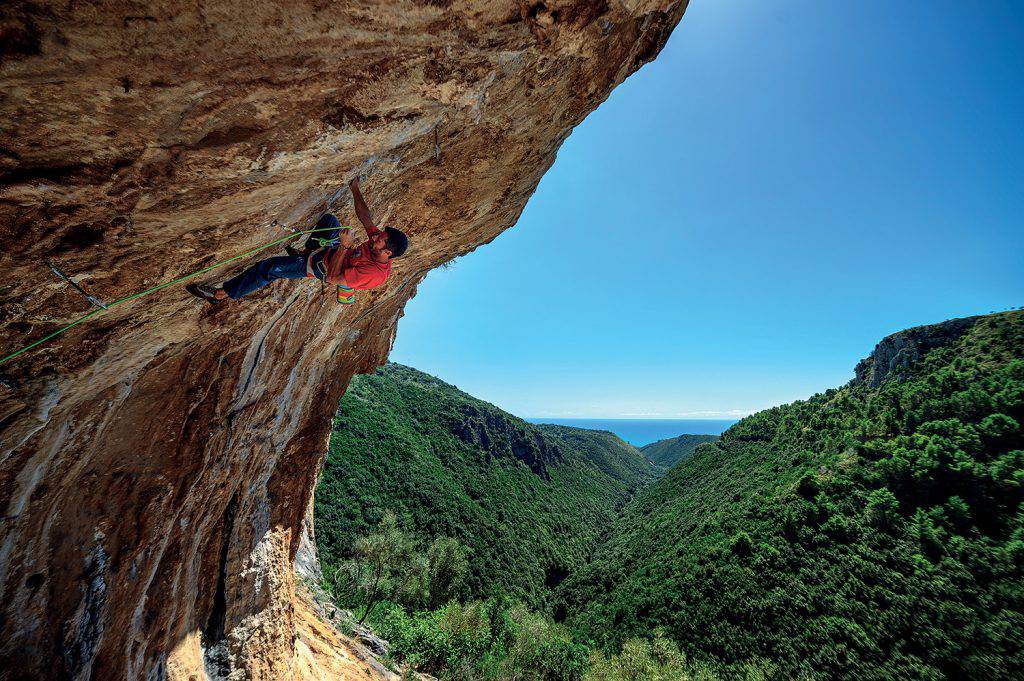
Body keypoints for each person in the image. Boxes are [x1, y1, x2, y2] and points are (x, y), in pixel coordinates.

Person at [187, 177, 408, 305]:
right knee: (330, 221)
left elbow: (332, 278)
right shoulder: (377, 245)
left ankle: (220, 294)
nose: (376, 236)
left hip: (321, 267)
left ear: (387, 252)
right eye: (380, 235)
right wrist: (355, 188)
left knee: (270, 268)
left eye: (381, 239)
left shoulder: (373, 273)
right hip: (331, 252)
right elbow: (365, 217)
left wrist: (344, 246)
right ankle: (307, 250)